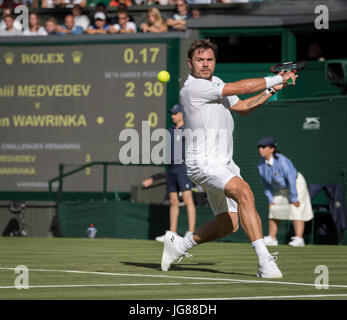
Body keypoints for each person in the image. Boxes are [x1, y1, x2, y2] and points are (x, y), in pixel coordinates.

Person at [160, 38, 298, 278]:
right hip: (202, 163)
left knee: (228, 225)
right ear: (189, 62)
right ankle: (265, 263)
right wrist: (278, 77)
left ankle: (179, 246)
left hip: (223, 163)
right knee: (244, 191)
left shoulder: (216, 82)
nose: (205, 64)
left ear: (214, 62)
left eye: (209, 59)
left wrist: (273, 89)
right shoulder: (193, 87)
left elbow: (243, 106)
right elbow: (243, 88)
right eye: (200, 60)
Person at [143, 104, 197, 242]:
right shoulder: (170, 131)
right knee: (173, 201)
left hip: (183, 167)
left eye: (175, 113)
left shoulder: (188, 130)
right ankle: (172, 234)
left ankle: (191, 232)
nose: (173, 116)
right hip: (172, 168)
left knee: (187, 200)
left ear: (181, 114)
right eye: (172, 114)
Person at [257, 136, 314, 247]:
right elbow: (265, 184)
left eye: (264, 147)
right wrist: (270, 198)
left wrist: (294, 198)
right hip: (281, 189)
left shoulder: (282, 161)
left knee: (295, 208)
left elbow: (291, 179)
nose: (261, 149)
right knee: (274, 207)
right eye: (259, 147)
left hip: (296, 184)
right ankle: (272, 238)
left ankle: (299, 239)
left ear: (272, 149)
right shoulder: (261, 164)